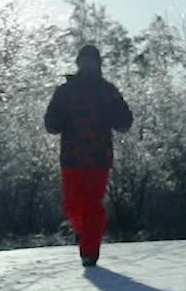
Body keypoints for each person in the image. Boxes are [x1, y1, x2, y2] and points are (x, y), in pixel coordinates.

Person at [43, 44, 133, 266]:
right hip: (71, 157)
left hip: (99, 158)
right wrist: (57, 122)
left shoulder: (107, 90)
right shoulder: (65, 90)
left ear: (98, 63)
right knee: (73, 206)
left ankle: (89, 252)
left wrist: (118, 119)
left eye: (91, 60)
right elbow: (51, 121)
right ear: (78, 62)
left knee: (92, 204)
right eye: (84, 60)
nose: (88, 64)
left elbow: (125, 120)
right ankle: (86, 232)